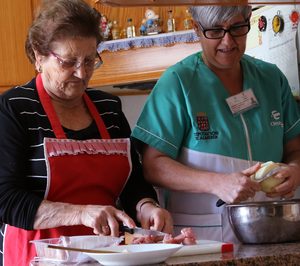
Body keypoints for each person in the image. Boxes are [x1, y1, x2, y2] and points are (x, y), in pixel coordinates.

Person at [0, 0, 173, 265]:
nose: (82, 74)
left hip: (109, 256)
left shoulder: (109, 108)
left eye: (90, 61)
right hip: (39, 257)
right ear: (39, 55)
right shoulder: (14, 109)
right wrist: (81, 214)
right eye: (69, 62)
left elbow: (133, 181)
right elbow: (5, 199)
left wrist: (146, 206)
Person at [131, 4, 300, 243]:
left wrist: (295, 170)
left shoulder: (271, 79)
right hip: (204, 238)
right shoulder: (178, 82)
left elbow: (295, 149)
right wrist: (216, 182)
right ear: (196, 29)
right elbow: (153, 165)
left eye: (237, 28)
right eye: (215, 31)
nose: (228, 41)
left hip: (273, 231)